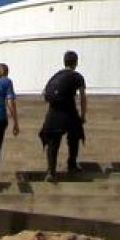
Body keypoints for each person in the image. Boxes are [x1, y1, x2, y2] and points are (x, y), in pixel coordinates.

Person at [39, 50, 86, 182]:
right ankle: (71, 164)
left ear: (64, 61)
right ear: (76, 62)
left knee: (53, 143)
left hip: (53, 113)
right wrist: (83, 115)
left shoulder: (56, 76)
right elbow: (83, 97)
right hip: (69, 112)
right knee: (75, 137)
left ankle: (51, 171)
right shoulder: (77, 76)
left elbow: (44, 93)